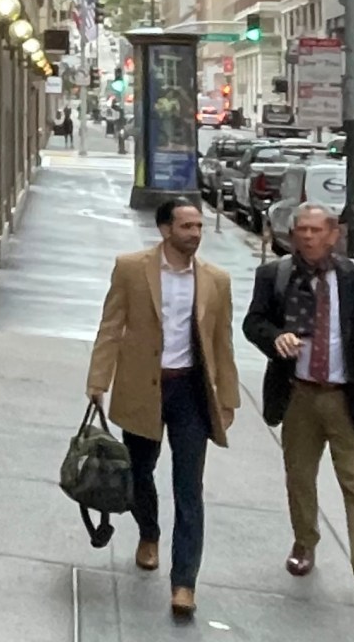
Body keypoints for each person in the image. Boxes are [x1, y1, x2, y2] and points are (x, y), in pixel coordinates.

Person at [241, 203, 354, 618]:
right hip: (298, 393)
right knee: (300, 477)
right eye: (301, 229)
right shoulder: (276, 276)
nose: (307, 237)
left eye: (316, 230)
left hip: (347, 395)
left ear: (333, 234)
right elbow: (253, 322)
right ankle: (305, 540)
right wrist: (275, 338)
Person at [86, 199, 241, 618]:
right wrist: (98, 380)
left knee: (190, 488)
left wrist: (227, 399)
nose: (194, 233)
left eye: (198, 226)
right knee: (139, 472)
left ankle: (184, 583)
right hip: (143, 389)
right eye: (186, 226)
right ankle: (149, 532)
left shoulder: (216, 280)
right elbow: (111, 325)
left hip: (190, 391)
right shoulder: (132, 268)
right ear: (164, 229)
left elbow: (223, 343)